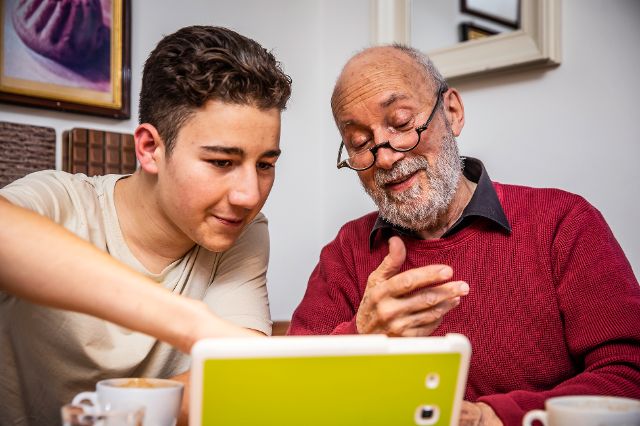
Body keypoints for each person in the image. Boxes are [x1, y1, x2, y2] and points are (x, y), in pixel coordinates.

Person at [288, 44, 640, 426]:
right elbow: (289, 392)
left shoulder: (563, 223)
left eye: (402, 123)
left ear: (452, 112)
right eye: (360, 144)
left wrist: (493, 416)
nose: (386, 157)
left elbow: (628, 372)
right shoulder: (346, 253)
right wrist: (360, 335)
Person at [0, 25, 291, 425]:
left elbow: (230, 376)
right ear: (150, 148)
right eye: (221, 162)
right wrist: (192, 325)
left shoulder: (242, 230)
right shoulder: (62, 201)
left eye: (265, 165)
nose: (248, 195)